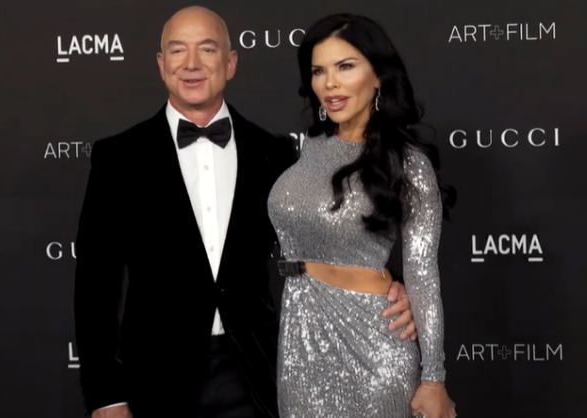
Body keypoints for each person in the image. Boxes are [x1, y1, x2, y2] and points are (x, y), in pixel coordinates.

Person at [74, 7, 418, 418]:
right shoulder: (118, 157)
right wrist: (106, 395)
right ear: (161, 65)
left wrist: (389, 285)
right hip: (153, 377)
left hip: (256, 371)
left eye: (207, 49)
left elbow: (325, 239)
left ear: (231, 63)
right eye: (178, 50)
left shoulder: (275, 154)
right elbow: (95, 284)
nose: (191, 64)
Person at [267, 13, 458, 418]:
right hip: (299, 345)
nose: (329, 84)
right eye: (319, 71)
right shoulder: (307, 150)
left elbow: (423, 274)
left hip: (375, 347)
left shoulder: (409, 164)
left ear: (379, 77)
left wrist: (433, 379)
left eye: (345, 66)